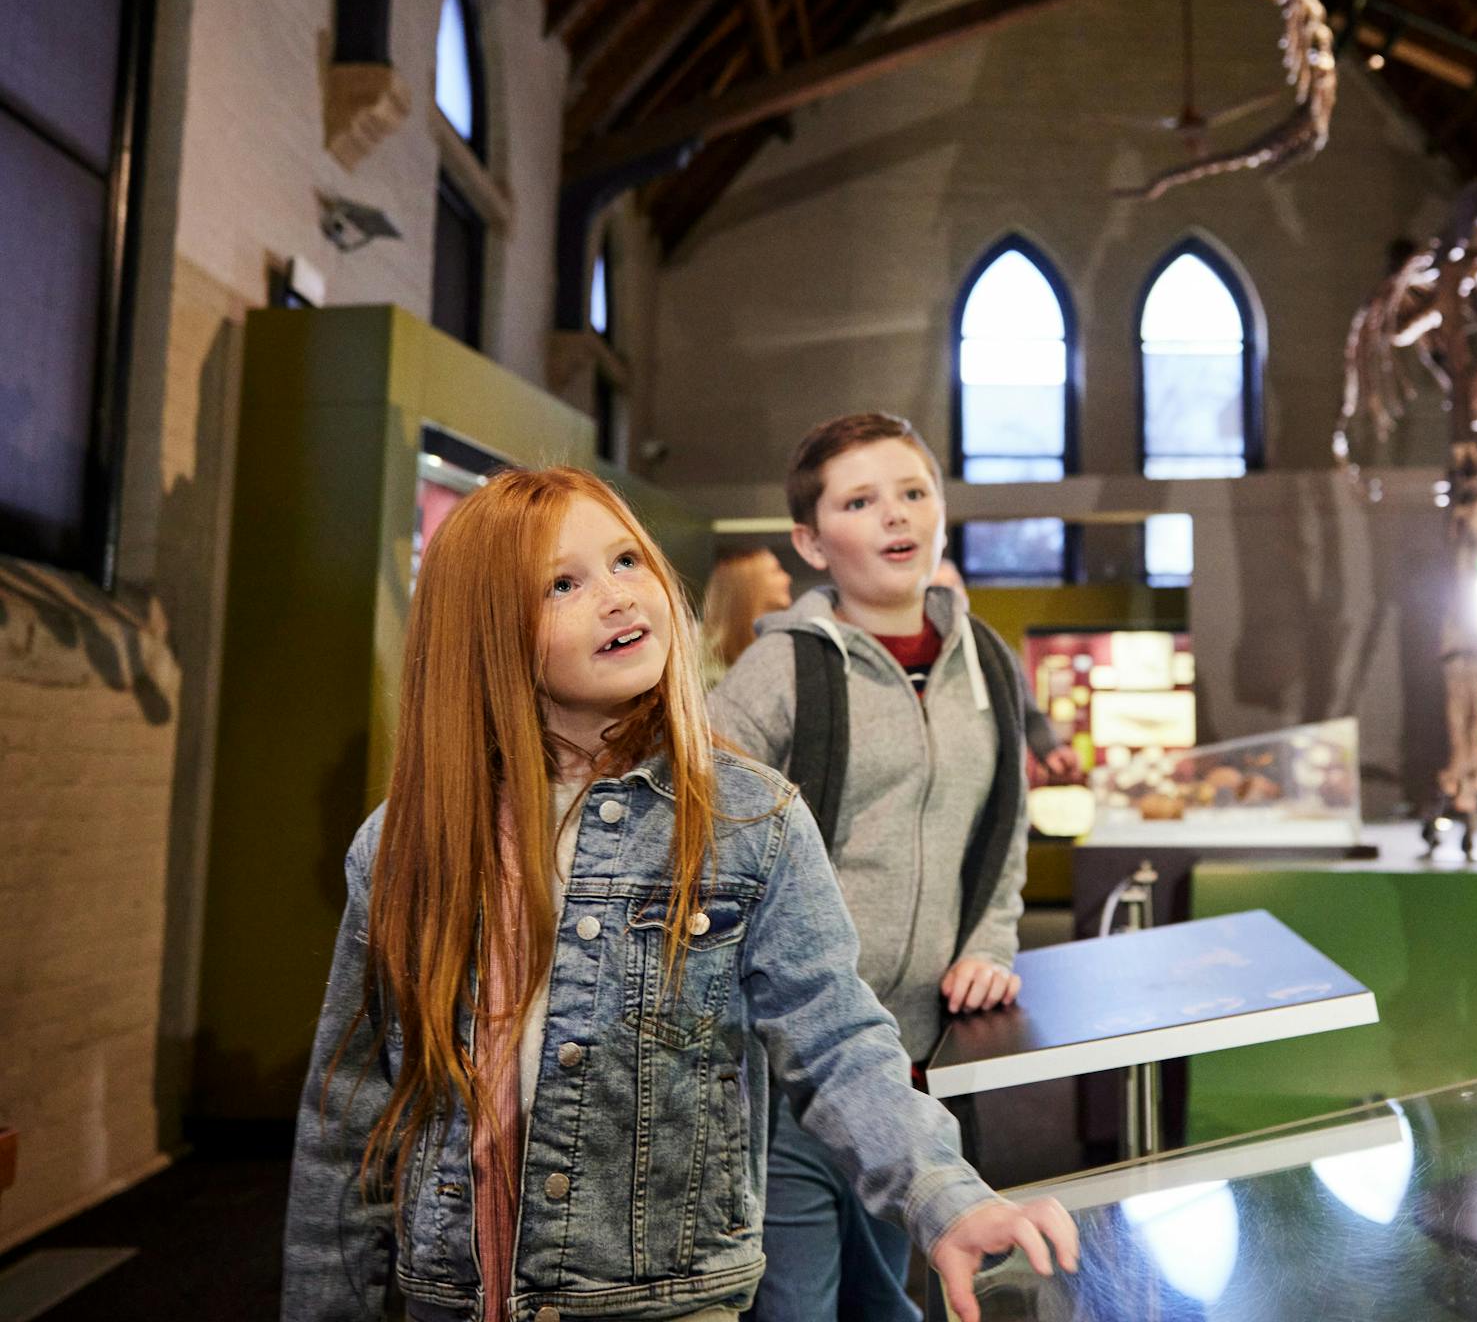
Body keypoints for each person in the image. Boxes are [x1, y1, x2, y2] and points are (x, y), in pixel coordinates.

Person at [282, 465, 1075, 1322]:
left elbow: (838, 1037)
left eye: (628, 561)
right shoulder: (405, 843)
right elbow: (354, 1117)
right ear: (485, 631)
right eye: (563, 583)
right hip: (457, 1296)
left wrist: (944, 1195)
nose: (619, 597)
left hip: (666, 1297)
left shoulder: (750, 822)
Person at [710, 414, 1034, 1322]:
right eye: (860, 501)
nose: (896, 516)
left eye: (913, 492)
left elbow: (1004, 828)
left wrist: (991, 940)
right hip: (787, 1065)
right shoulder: (779, 672)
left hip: (911, 1067)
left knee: (886, 1296)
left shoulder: (991, 666)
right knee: (797, 1307)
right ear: (813, 541)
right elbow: (701, 833)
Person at [930, 558, 1084, 786]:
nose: (950, 596)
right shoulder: (910, 658)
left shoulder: (994, 653)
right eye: (937, 589)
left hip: (993, 788)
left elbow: (1027, 713)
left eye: (955, 586)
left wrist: (1051, 750)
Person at [698, 546, 793, 689]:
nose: (787, 578)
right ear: (750, 584)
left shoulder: (780, 641)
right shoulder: (711, 672)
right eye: (776, 571)